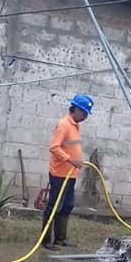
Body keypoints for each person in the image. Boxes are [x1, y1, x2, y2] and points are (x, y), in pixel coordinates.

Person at [41, 93, 94, 249]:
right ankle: (45, 241)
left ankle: (60, 239)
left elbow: (70, 147)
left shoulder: (75, 125)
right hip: (59, 175)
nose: (85, 116)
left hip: (70, 175)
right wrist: (70, 160)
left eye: (86, 114)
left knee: (67, 206)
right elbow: (54, 147)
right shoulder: (64, 125)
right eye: (84, 112)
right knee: (54, 207)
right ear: (75, 109)